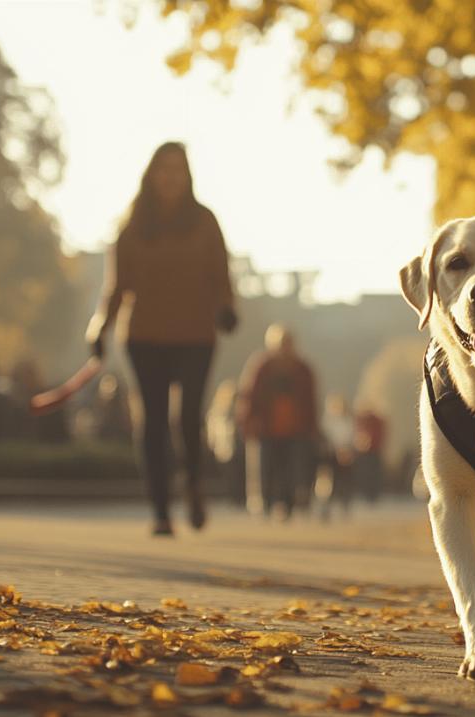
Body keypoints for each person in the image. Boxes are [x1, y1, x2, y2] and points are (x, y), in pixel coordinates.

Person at [86, 141, 238, 536]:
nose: (170, 177)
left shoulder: (204, 222)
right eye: (164, 169)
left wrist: (227, 307)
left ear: (187, 177)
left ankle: (192, 482)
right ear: (152, 175)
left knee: (188, 416)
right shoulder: (134, 225)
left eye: (178, 170)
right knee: (153, 421)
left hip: (195, 334)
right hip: (144, 335)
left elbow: (221, 275)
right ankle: (160, 510)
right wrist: (100, 326)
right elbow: (116, 287)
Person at [237, 325, 318, 520]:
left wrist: (312, 428)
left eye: (287, 344)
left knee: (292, 470)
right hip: (266, 429)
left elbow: (311, 401)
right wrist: (247, 422)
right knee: (265, 469)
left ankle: (289, 504)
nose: (284, 348)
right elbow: (249, 396)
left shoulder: (303, 369)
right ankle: (265, 503)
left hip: (296, 430)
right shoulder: (261, 367)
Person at [319, 393, 356, 520]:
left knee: (344, 483)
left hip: (345, 457)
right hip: (329, 457)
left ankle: (344, 506)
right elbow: (324, 439)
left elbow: (351, 438)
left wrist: (347, 450)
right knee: (328, 483)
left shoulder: (349, 422)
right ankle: (325, 508)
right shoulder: (327, 422)